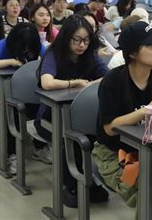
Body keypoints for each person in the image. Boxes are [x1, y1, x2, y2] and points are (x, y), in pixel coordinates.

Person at [93, 21, 152, 208]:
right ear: (133, 53)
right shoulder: (113, 81)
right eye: (151, 46)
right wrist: (145, 110)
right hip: (114, 152)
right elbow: (110, 129)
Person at [32, 15, 109, 208]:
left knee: (94, 136)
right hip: (50, 118)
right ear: (67, 38)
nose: (82, 45)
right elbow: (47, 82)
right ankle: (71, 185)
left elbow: (110, 78)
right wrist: (75, 83)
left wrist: (91, 85)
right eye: (77, 40)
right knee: (73, 139)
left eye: (86, 40)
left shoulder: (90, 56)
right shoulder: (54, 54)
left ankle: (87, 180)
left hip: (82, 116)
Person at [0, 23, 50, 174]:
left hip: (23, 93)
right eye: (23, 47)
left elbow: (50, 58)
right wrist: (10, 62)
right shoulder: (2, 45)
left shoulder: (36, 46)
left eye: (30, 47)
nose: (26, 50)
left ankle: (39, 147)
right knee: (11, 113)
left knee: (43, 109)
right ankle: (10, 155)